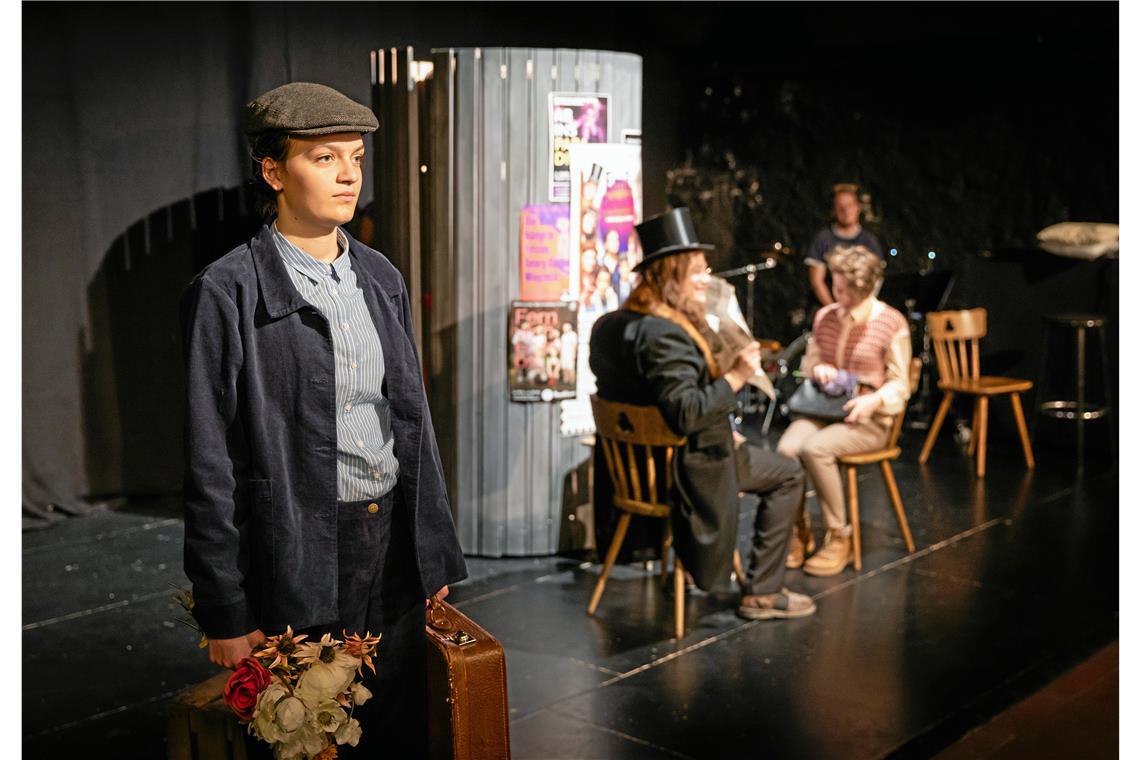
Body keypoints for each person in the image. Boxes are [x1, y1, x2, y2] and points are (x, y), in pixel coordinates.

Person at [180, 82, 467, 757]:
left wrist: (433, 547)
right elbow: (207, 459)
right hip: (298, 548)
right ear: (274, 171)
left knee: (395, 723)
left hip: (390, 538)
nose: (346, 175)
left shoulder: (379, 276)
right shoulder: (227, 292)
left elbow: (413, 424)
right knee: (304, 736)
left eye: (356, 158)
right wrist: (223, 607)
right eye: (324, 157)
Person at [590, 207, 816, 620]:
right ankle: (764, 593)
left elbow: (651, 400)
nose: (706, 277)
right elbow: (687, 413)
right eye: (695, 269)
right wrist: (736, 375)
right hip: (683, 469)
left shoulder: (610, 324)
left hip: (636, 471)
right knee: (789, 474)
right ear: (670, 274)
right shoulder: (665, 336)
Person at [777, 244, 911, 575]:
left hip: (868, 418)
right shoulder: (826, 317)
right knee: (786, 450)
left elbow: (901, 384)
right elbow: (810, 363)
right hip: (823, 410)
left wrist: (874, 400)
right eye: (835, 287)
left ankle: (839, 536)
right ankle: (799, 530)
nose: (837, 295)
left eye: (843, 289)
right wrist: (819, 367)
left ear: (863, 288)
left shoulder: (890, 322)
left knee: (816, 449)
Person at [805, 185, 884, 309]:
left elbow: (877, 277)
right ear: (833, 210)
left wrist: (862, 307)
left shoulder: (869, 240)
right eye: (840, 207)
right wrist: (835, 310)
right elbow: (817, 281)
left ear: (858, 207)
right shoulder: (823, 238)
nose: (845, 211)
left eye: (849, 205)